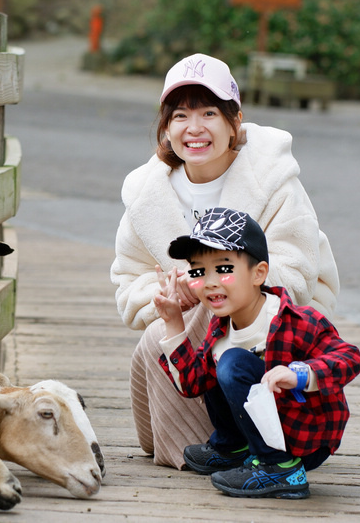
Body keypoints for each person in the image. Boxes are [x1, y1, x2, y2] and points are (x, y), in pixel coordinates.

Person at [110, 53, 340, 469]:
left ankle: (248, 441)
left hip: (273, 336)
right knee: (170, 327)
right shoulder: (148, 195)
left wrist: (207, 283)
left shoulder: (271, 180)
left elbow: (297, 268)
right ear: (165, 128)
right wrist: (169, 294)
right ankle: (211, 438)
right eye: (180, 115)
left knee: (202, 303)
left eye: (209, 113)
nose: (194, 128)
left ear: (234, 122)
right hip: (196, 334)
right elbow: (129, 279)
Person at [154, 207, 360, 498]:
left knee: (231, 362)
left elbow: (350, 357)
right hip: (265, 423)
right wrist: (173, 321)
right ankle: (233, 447)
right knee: (218, 363)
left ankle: (281, 469)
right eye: (199, 271)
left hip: (305, 436)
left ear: (258, 273)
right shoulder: (220, 329)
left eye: (224, 269)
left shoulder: (294, 320)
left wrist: (300, 373)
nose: (210, 281)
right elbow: (193, 384)